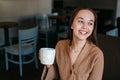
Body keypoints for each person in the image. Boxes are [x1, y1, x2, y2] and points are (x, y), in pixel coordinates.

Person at [41, 7, 104, 80]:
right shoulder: (60, 46)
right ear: (72, 24)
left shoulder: (97, 54)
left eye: (90, 23)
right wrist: (48, 65)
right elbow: (56, 72)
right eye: (80, 21)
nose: (85, 26)